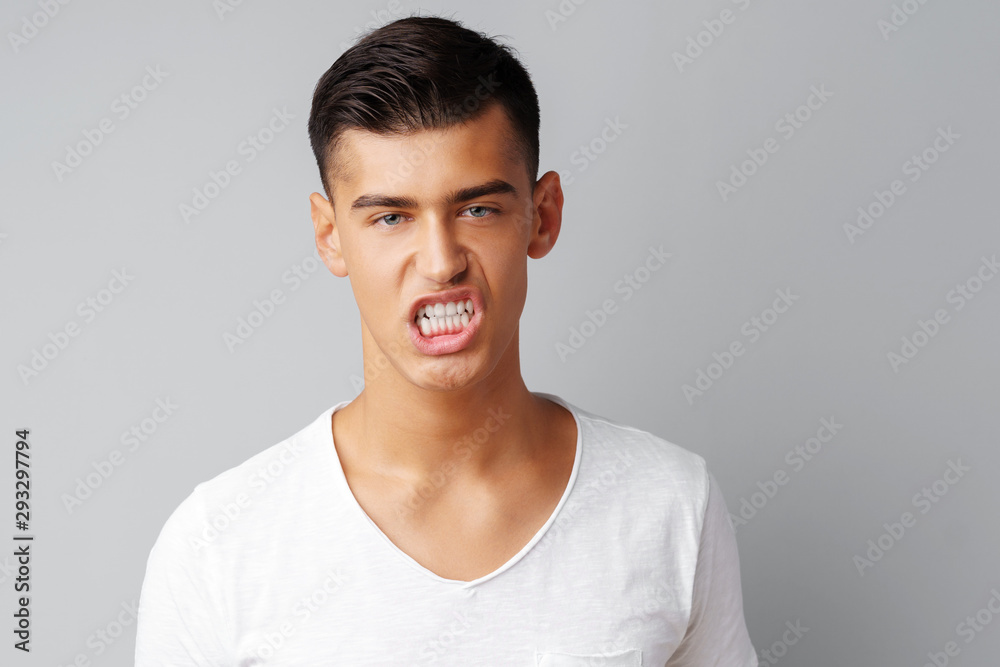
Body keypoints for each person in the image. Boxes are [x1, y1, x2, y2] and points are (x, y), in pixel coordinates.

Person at [135, 14, 758, 666]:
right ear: (329, 235)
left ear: (542, 217)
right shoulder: (218, 545)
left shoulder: (670, 505)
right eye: (391, 217)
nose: (440, 263)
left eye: (477, 209)